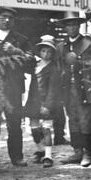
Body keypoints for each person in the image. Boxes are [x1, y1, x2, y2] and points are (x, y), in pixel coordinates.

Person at [56, 14, 91, 167]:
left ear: (79, 26)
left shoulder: (89, 43)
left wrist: (83, 66)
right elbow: (57, 68)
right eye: (68, 25)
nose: (71, 28)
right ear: (65, 28)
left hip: (85, 88)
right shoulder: (61, 46)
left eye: (74, 25)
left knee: (86, 121)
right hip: (67, 89)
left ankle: (88, 153)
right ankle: (77, 151)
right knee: (73, 121)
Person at [0, 7, 34, 171]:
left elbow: (31, 63)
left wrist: (16, 51)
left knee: (14, 124)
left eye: (10, 18)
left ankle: (17, 157)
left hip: (13, 89)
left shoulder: (21, 40)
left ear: (14, 21)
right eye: (3, 17)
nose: (6, 20)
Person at [24, 35, 59, 168]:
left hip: (46, 103)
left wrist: (47, 106)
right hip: (33, 101)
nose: (46, 54)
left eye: (49, 52)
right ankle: (40, 149)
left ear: (53, 54)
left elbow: (52, 90)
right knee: (33, 129)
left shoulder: (53, 69)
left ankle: (48, 156)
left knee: (46, 129)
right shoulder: (35, 66)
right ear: (39, 52)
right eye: (44, 51)